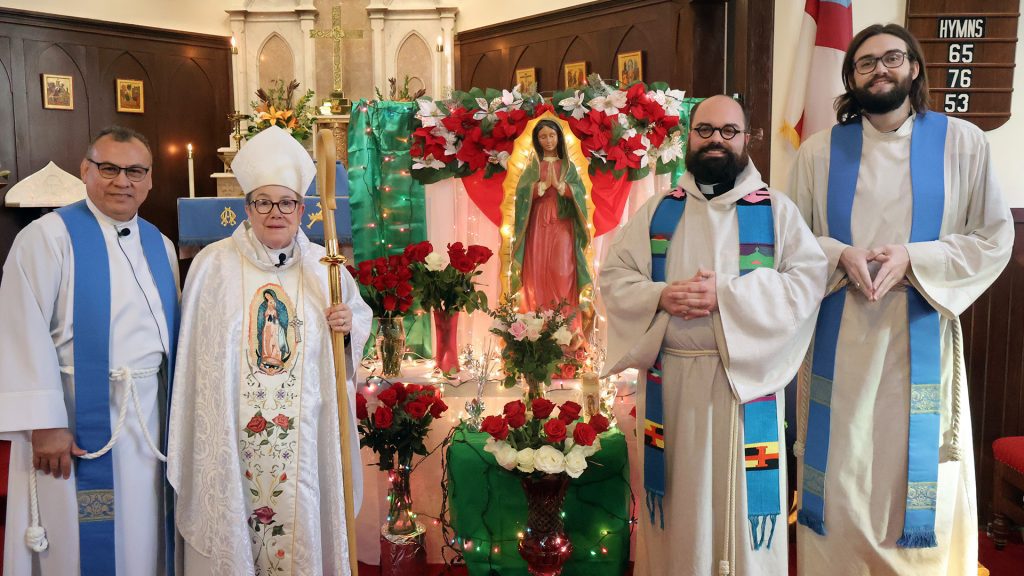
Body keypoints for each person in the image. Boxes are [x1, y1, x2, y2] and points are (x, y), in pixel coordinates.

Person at [789, 24, 1014, 576]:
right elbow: (787, 241)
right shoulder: (820, 151)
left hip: (920, 334)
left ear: (914, 68)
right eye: (865, 64)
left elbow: (995, 237)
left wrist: (915, 259)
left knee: (913, 472)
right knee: (841, 467)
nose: (880, 70)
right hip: (839, 338)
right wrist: (840, 253)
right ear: (851, 79)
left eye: (892, 58)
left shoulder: (963, 142)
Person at [601, 95, 827, 576]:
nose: (716, 141)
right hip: (674, 385)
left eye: (729, 132)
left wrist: (726, 295)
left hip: (742, 391)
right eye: (705, 130)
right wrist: (660, 296)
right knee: (679, 515)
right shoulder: (661, 209)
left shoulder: (775, 211)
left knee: (739, 517)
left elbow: (807, 283)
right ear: (690, 137)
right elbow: (615, 274)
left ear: (747, 140)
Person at [167, 126, 371, 575]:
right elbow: (197, 361)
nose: (275, 213)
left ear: (302, 209)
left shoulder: (327, 269)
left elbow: (355, 327)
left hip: (307, 442)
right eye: (263, 202)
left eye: (285, 203)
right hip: (232, 441)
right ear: (247, 207)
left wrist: (347, 326)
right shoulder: (212, 266)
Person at [0, 126, 179, 575]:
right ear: (86, 170)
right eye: (109, 169)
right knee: (76, 540)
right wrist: (45, 423)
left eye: (135, 171)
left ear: (150, 179)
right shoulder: (47, 238)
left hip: (149, 419)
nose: (123, 181)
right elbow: (20, 329)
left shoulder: (161, 245)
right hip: (75, 417)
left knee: (146, 531)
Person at [509, 118, 592, 341]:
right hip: (537, 224)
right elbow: (521, 198)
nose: (548, 140)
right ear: (537, 140)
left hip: (563, 224)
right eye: (543, 136)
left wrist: (563, 187)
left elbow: (580, 196)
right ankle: (537, 330)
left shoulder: (568, 167)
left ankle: (567, 331)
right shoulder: (532, 168)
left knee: (562, 271)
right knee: (536, 271)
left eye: (552, 135)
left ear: (559, 138)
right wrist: (539, 187)